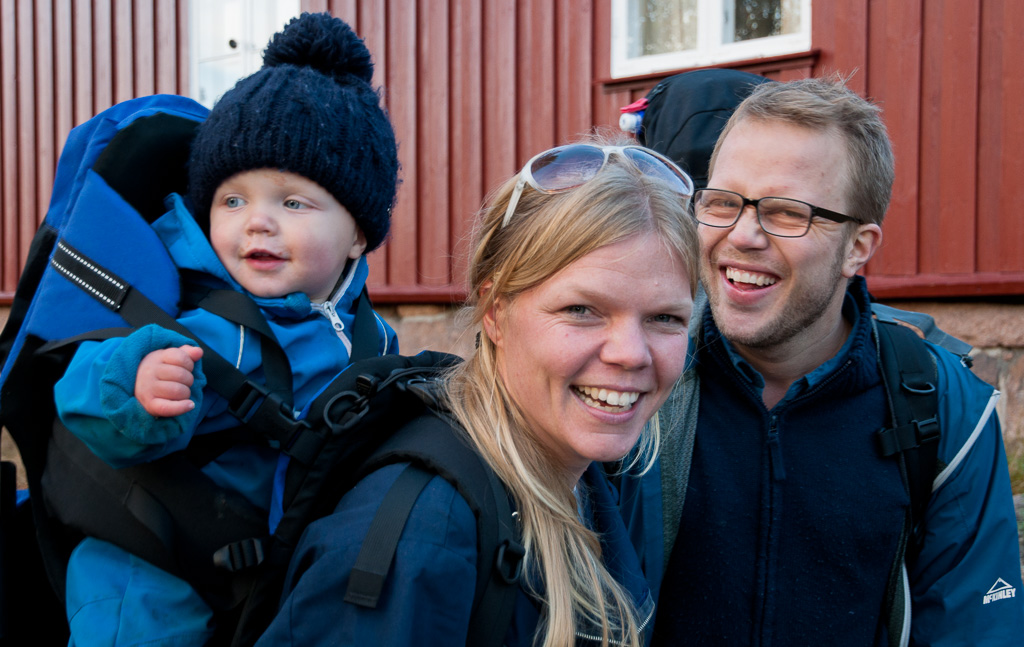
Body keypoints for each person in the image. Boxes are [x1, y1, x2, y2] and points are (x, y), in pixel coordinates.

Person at [620, 76, 1024, 646]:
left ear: (857, 248)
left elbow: (977, 625)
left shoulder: (941, 406)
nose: (743, 235)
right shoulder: (635, 375)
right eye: (723, 202)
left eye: (786, 213)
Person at [254, 138, 700, 646]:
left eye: (666, 318)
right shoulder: (423, 538)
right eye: (582, 310)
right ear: (494, 311)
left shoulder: (582, 471)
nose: (632, 354)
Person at [52, 12, 399, 646]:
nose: (257, 223)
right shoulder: (214, 326)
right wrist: (135, 386)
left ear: (357, 233)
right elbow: (78, 393)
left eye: (292, 202)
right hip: (150, 570)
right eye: (232, 201)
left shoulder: (374, 340)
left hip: (264, 562)